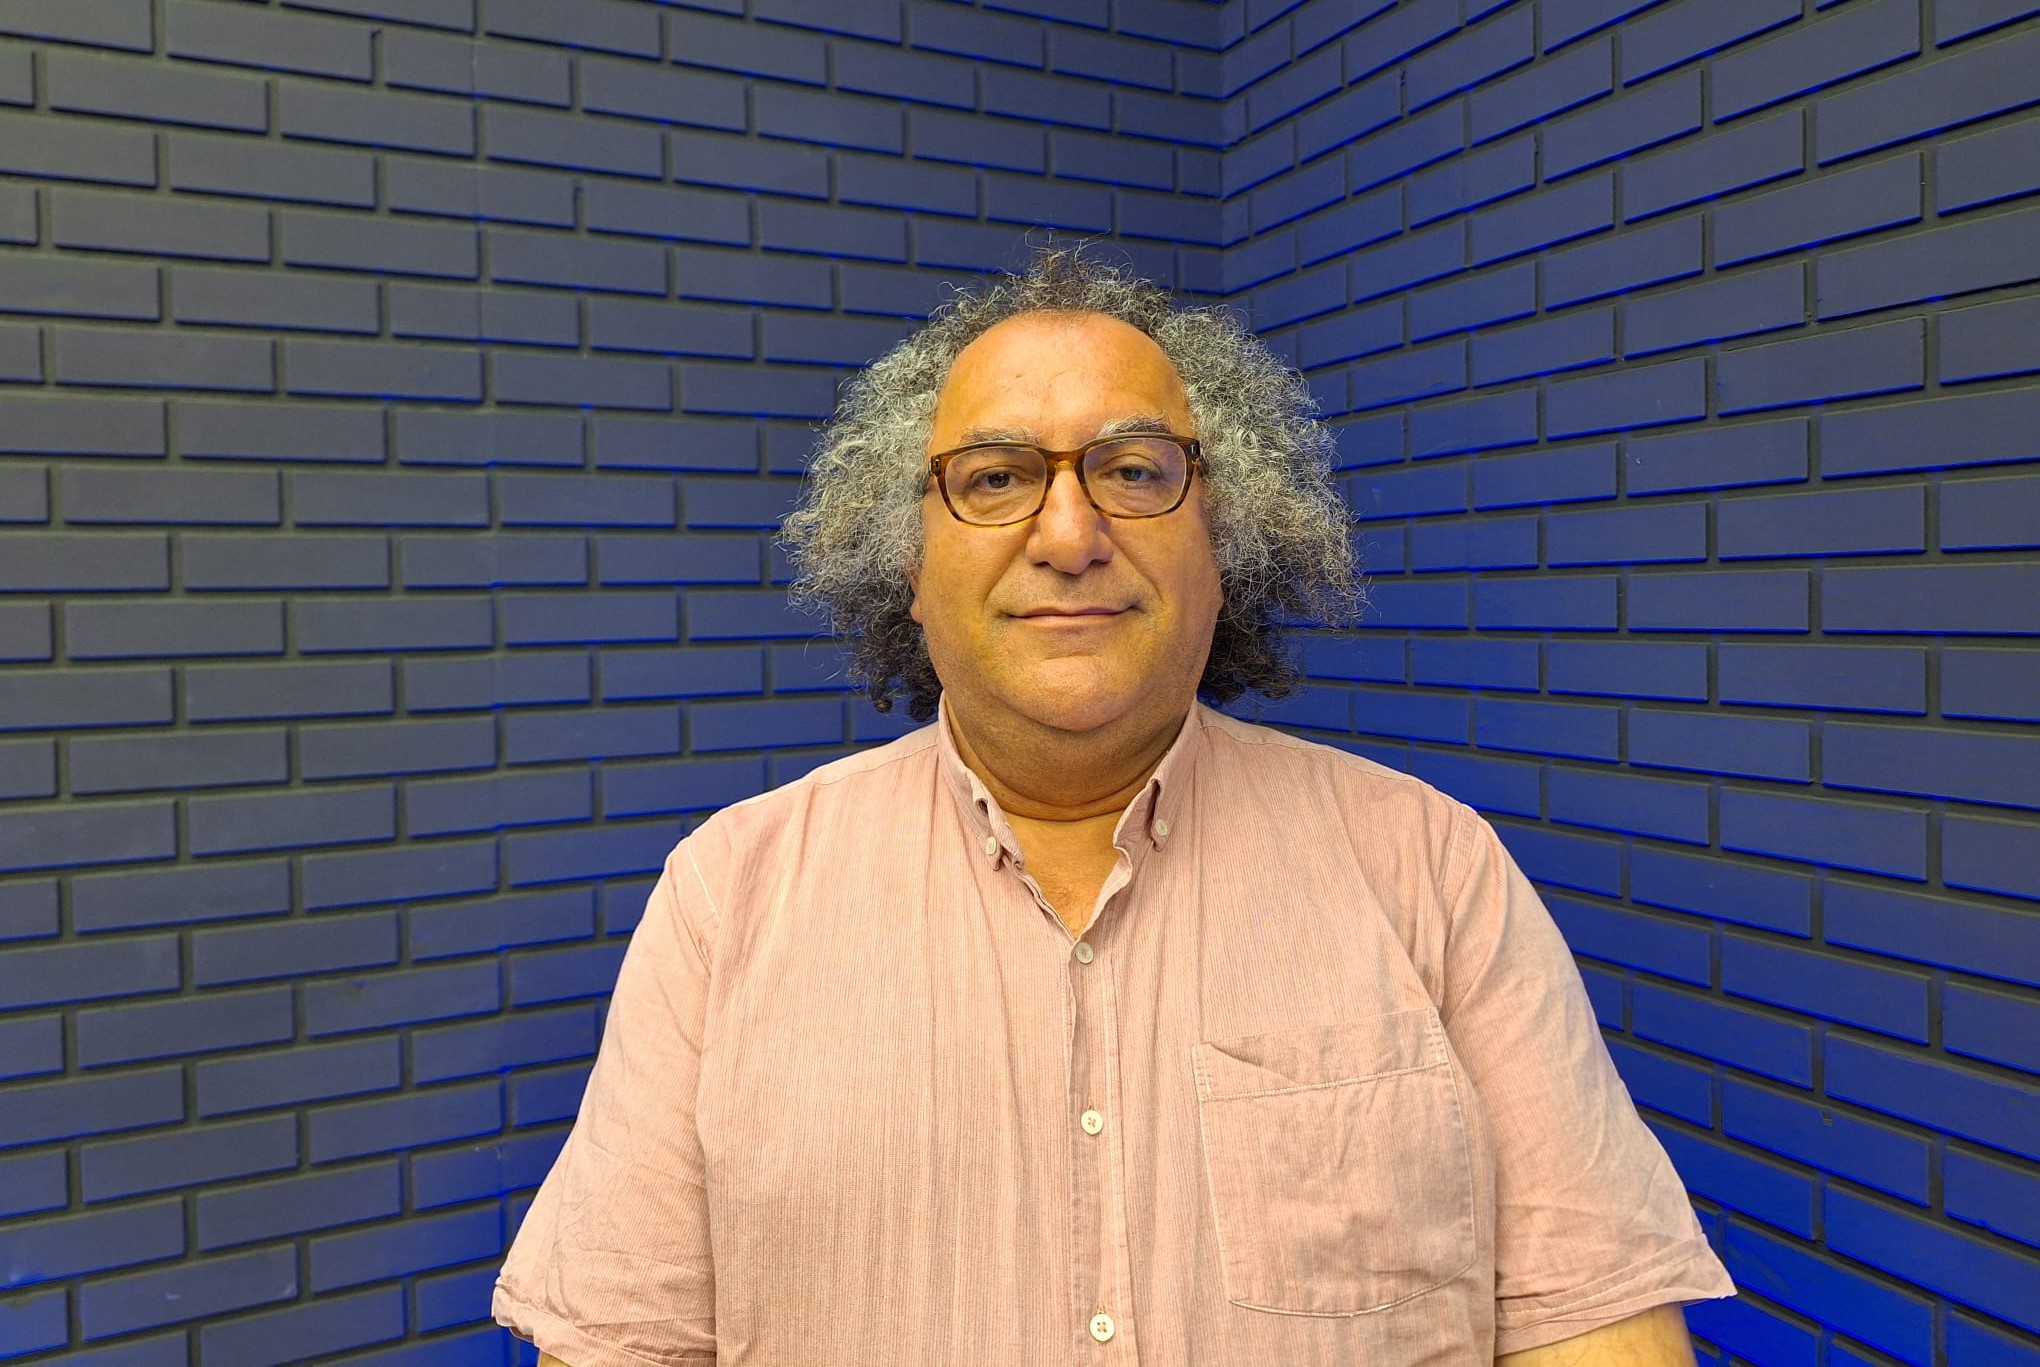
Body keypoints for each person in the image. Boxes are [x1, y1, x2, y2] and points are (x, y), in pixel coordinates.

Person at [492, 247, 1735, 1366]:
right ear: (907, 564)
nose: (1070, 533)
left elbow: (1599, 1328)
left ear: (1224, 547)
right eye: (995, 477)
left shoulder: (1431, 867)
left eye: (1135, 470)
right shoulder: (728, 896)